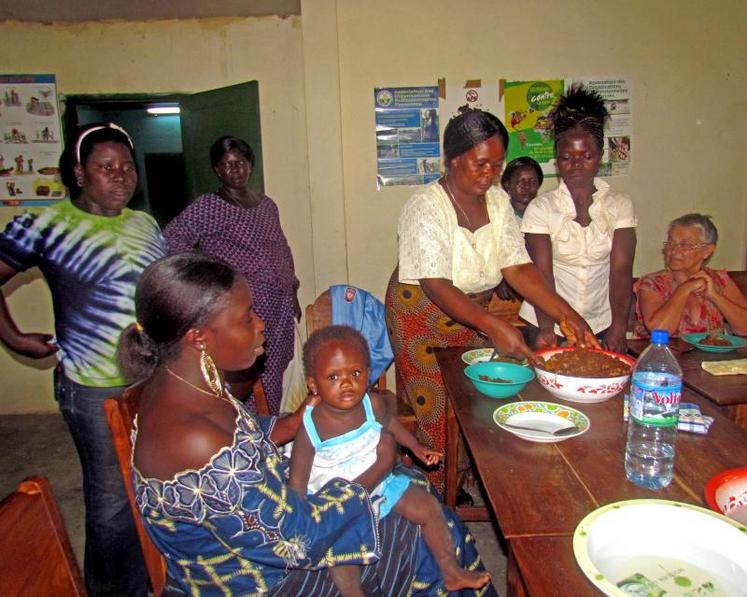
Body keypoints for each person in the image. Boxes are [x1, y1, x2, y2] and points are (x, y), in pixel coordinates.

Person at [119, 253, 498, 596]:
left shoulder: (181, 385)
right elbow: (297, 541)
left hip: (264, 536)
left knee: (413, 491)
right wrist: (376, 469)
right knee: (420, 529)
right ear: (198, 338)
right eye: (246, 316)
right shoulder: (192, 436)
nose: (261, 324)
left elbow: (242, 436)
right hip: (261, 580)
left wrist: (289, 425)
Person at [385, 107, 597, 491]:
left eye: (496, 166)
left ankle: (462, 477)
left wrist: (567, 314)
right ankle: (434, 493)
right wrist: (495, 326)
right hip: (420, 311)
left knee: (479, 395)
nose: (489, 176)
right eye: (480, 165)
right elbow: (436, 285)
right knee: (435, 402)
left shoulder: (497, 203)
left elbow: (517, 268)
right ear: (452, 159)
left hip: (471, 311)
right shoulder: (425, 207)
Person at [0, 122, 167, 595]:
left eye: (127, 167)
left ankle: (146, 581)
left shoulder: (144, 225)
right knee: (113, 501)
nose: (120, 176)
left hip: (148, 380)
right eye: (105, 167)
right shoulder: (46, 225)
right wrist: (12, 337)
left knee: (147, 490)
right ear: (79, 173)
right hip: (94, 386)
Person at [288, 325, 491, 595]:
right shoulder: (310, 427)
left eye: (355, 373)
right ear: (313, 384)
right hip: (336, 497)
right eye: (333, 376)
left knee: (428, 507)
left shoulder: (373, 404)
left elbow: (392, 425)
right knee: (341, 553)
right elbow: (298, 481)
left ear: (368, 374)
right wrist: (303, 518)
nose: (347, 383)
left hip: (380, 482)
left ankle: (450, 570)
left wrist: (417, 448)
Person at [164, 136, 300, 414]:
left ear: (250, 165)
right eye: (226, 165)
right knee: (245, 371)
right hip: (244, 307)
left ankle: (268, 425)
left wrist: (293, 291)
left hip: (279, 305)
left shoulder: (266, 205)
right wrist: (208, 278)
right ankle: (243, 429)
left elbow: (281, 248)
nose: (234, 170)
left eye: (239, 163)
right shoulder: (210, 206)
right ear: (217, 170)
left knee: (274, 366)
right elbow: (173, 237)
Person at [520, 84, 637, 353]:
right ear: (556, 160)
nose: (576, 165)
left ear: (600, 157)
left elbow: (620, 271)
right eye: (567, 157)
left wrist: (618, 328)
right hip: (548, 322)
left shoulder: (620, 207)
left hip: (603, 323)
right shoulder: (541, 209)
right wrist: (549, 329)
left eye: (586, 156)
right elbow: (541, 276)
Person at [634, 213, 747, 337]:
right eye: (671, 243)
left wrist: (714, 295)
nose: (674, 251)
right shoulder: (652, 283)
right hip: (662, 355)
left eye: (685, 245)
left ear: (707, 251)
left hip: (710, 356)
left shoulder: (719, 280)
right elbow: (660, 331)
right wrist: (684, 288)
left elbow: (744, 329)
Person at [495, 156, 543, 300]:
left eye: (532, 181)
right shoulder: (496, 215)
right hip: (506, 287)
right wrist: (499, 280)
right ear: (507, 185)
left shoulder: (546, 214)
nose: (527, 186)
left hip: (538, 284)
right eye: (520, 181)